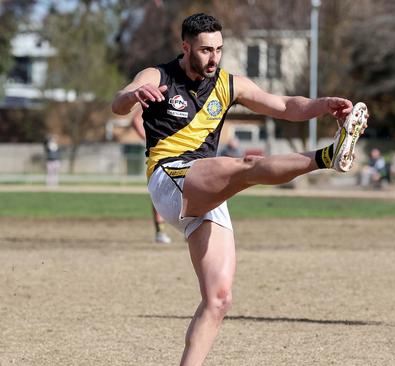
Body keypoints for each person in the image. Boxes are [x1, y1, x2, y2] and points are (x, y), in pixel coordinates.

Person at [111, 13, 368, 365]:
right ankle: (326, 155)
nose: (214, 57)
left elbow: (284, 106)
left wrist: (323, 105)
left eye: (219, 49)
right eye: (205, 50)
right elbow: (118, 102)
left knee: (219, 299)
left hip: (206, 185)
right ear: (186, 48)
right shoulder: (159, 75)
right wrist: (132, 96)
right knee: (246, 167)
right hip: (170, 175)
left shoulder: (229, 84)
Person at [131, 106, 173, 244]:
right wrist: (153, 141)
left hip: (187, 150)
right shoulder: (158, 94)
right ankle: (160, 231)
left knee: (190, 188)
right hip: (162, 153)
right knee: (160, 189)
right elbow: (136, 120)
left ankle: (190, 228)